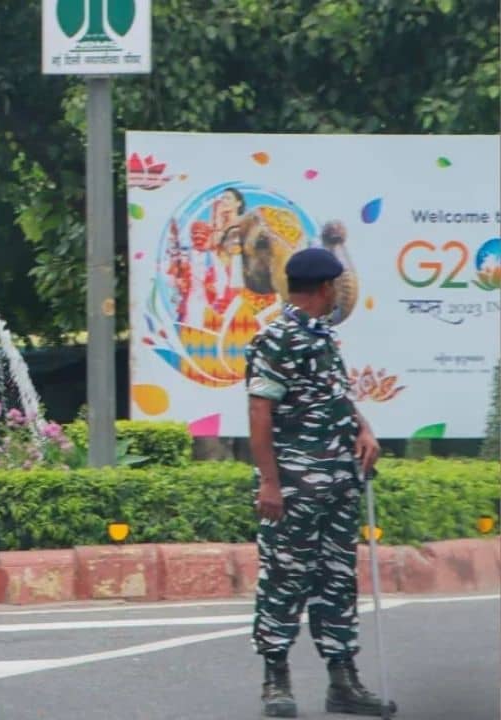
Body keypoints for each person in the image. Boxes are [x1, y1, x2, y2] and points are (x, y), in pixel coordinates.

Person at [245, 246, 395, 718]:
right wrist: (270, 482)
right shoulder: (275, 338)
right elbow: (259, 411)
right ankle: (276, 679)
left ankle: (343, 681)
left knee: (336, 581)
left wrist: (363, 427)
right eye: (336, 289)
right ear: (326, 289)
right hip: (293, 486)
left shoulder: (322, 337)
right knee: (286, 580)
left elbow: (334, 396)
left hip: (337, 482)